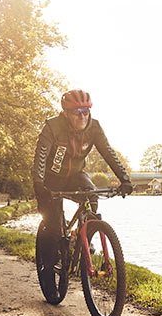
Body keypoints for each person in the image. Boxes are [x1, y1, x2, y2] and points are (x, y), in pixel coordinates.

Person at [32, 89, 132, 241]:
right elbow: (41, 155)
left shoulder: (94, 128)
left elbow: (108, 153)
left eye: (86, 111)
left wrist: (124, 179)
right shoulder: (53, 127)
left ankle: (84, 240)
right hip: (50, 179)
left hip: (75, 176)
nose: (82, 116)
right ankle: (48, 262)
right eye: (77, 112)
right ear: (66, 113)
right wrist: (38, 183)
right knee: (52, 227)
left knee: (92, 197)